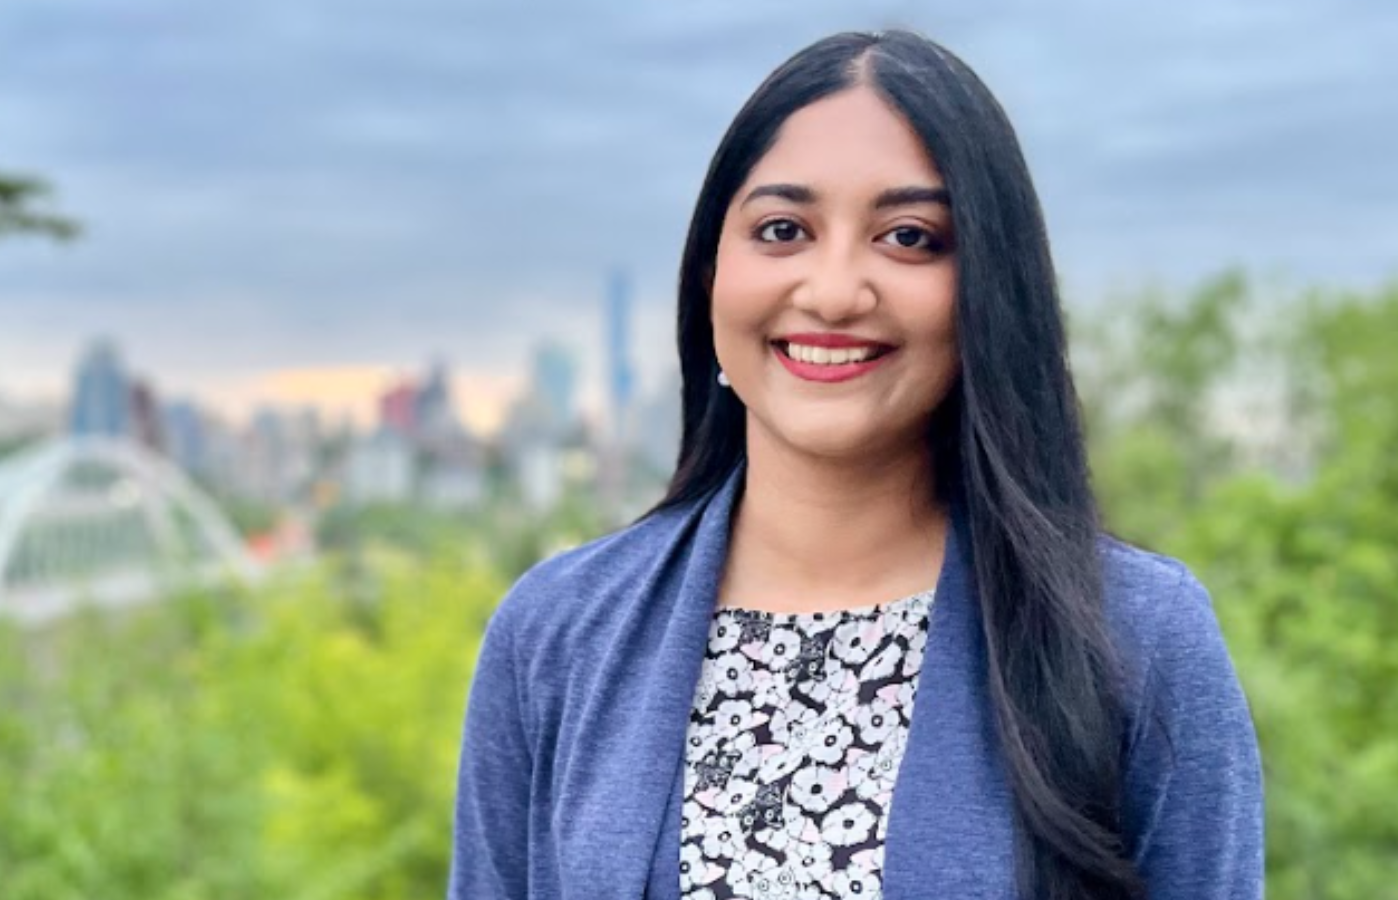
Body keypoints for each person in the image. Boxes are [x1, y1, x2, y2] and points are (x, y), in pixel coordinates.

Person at [448, 29, 1263, 900]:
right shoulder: (557, 634)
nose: (835, 292)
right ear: (709, 275)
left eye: (910, 237)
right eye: (783, 229)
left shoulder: (1135, 639)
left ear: (988, 289)